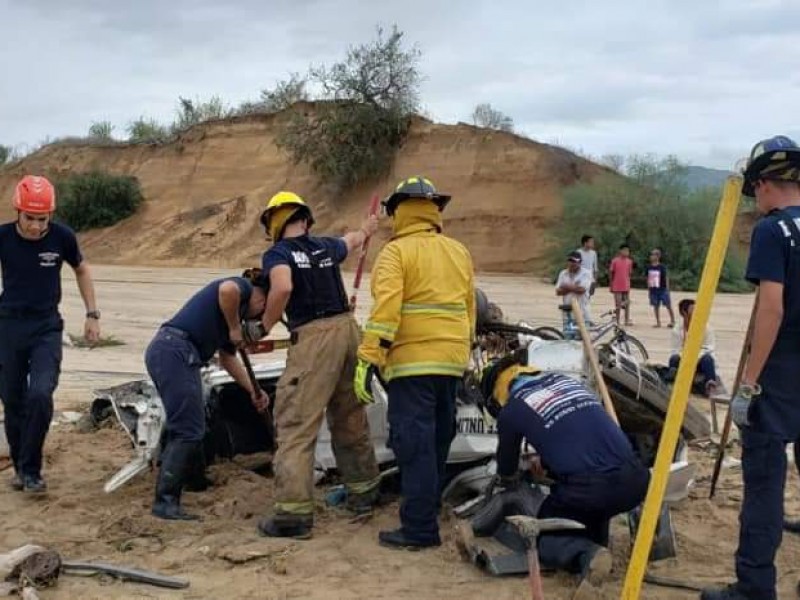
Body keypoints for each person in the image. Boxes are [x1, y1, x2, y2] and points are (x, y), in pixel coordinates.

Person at [701, 135, 800, 600]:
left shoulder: (772, 230)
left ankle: (754, 587)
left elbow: (771, 310)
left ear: (763, 184)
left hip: (780, 374)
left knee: (763, 484)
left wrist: (749, 383)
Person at [354, 176, 475, 550]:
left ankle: (419, 529)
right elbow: (469, 308)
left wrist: (368, 357)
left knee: (414, 444)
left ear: (399, 211)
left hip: (413, 363)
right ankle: (428, 509)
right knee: (438, 440)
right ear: (433, 209)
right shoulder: (458, 251)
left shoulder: (396, 252)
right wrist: (463, 354)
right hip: (452, 361)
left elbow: (387, 309)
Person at [256, 191, 381, 539]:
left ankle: (293, 515)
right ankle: (364, 492)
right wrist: (367, 229)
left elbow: (281, 287)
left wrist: (265, 324)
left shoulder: (278, 253)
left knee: (296, 422)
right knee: (349, 416)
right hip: (347, 332)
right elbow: (353, 240)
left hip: (313, 338)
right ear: (305, 218)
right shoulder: (324, 247)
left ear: (275, 221)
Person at [479, 354, 649, 593]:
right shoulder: (566, 383)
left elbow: (506, 470)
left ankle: (587, 555)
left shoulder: (513, 408)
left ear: (497, 397)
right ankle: (596, 549)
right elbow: (576, 436)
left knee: (541, 536)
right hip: (635, 478)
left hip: (592, 489)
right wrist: (547, 461)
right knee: (588, 510)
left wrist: (518, 477)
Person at [0, 175, 100, 494]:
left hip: (46, 327)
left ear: (50, 215)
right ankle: (22, 468)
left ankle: (31, 471)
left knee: (41, 394)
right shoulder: (2, 237)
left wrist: (92, 314)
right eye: (29, 218)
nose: (35, 226)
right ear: (18, 211)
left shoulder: (62, 238)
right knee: (13, 400)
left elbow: (82, 269)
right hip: (8, 326)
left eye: (42, 219)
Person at [145, 271, 270, 520]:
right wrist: (235, 327)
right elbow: (227, 290)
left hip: (174, 352)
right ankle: (165, 502)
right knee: (188, 429)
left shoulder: (229, 315)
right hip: (175, 350)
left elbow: (228, 358)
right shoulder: (242, 289)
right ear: (262, 300)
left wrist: (254, 391)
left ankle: (191, 480)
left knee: (189, 424)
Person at [668, 299, 719, 397]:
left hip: (700, 360)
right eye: (693, 310)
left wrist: (694, 357)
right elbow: (675, 350)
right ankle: (672, 385)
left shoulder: (706, 328)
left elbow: (709, 348)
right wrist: (686, 357)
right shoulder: (677, 330)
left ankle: (710, 385)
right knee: (673, 359)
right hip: (684, 359)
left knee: (708, 359)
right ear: (684, 313)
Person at [555, 251, 592, 330]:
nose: (571, 263)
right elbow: (558, 292)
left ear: (580, 262)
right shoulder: (563, 273)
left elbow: (581, 290)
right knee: (567, 337)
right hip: (567, 311)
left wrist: (566, 286)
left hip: (582, 311)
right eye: (570, 260)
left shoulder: (586, 273)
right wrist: (574, 287)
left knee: (582, 338)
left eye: (574, 261)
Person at [647, 248, 676, 328]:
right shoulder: (649, 267)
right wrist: (649, 289)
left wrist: (667, 289)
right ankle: (658, 322)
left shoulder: (662, 267)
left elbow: (666, 277)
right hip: (653, 289)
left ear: (658, 256)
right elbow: (648, 278)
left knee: (668, 305)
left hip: (662, 289)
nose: (651, 256)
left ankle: (673, 321)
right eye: (651, 254)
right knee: (656, 306)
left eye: (653, 254)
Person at [609, 243, 634, 326]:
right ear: (621, 251)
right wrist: (611, 284)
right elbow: (611, 273)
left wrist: (629, 283)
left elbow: (629, 273)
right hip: (616, 285)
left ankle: (626, 320)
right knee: (618, 304)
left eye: (628, 251)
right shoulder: (615, 261)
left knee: (627, 303)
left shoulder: (629, 262)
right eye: (625, 250)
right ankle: (617, 320)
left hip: (626, 285)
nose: (627, 252)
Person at [577, 235, 598, 322]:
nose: (592, 244)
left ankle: (584, 319)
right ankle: (586, 320)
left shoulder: (593, 253)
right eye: (591, 242)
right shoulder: (578, 253)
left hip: (590, 280)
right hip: (580, 280)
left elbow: (595, 268)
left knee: (586, 300)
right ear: (585, 243)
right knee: (581, 300)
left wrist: (594, 281)